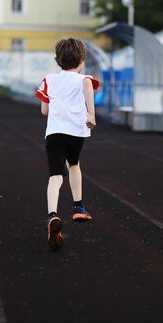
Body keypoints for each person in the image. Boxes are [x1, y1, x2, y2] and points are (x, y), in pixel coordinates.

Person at [35, 37, 99, 251]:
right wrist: (91, 113)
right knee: (74, 164)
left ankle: (52, 215)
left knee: (55, 176)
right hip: (77, 133)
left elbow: (44, 111)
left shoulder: (49, 80)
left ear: (57, 60)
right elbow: (88, 85)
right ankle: (78, 206)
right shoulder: (84, 79)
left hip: (54, 133)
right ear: (81, 61)